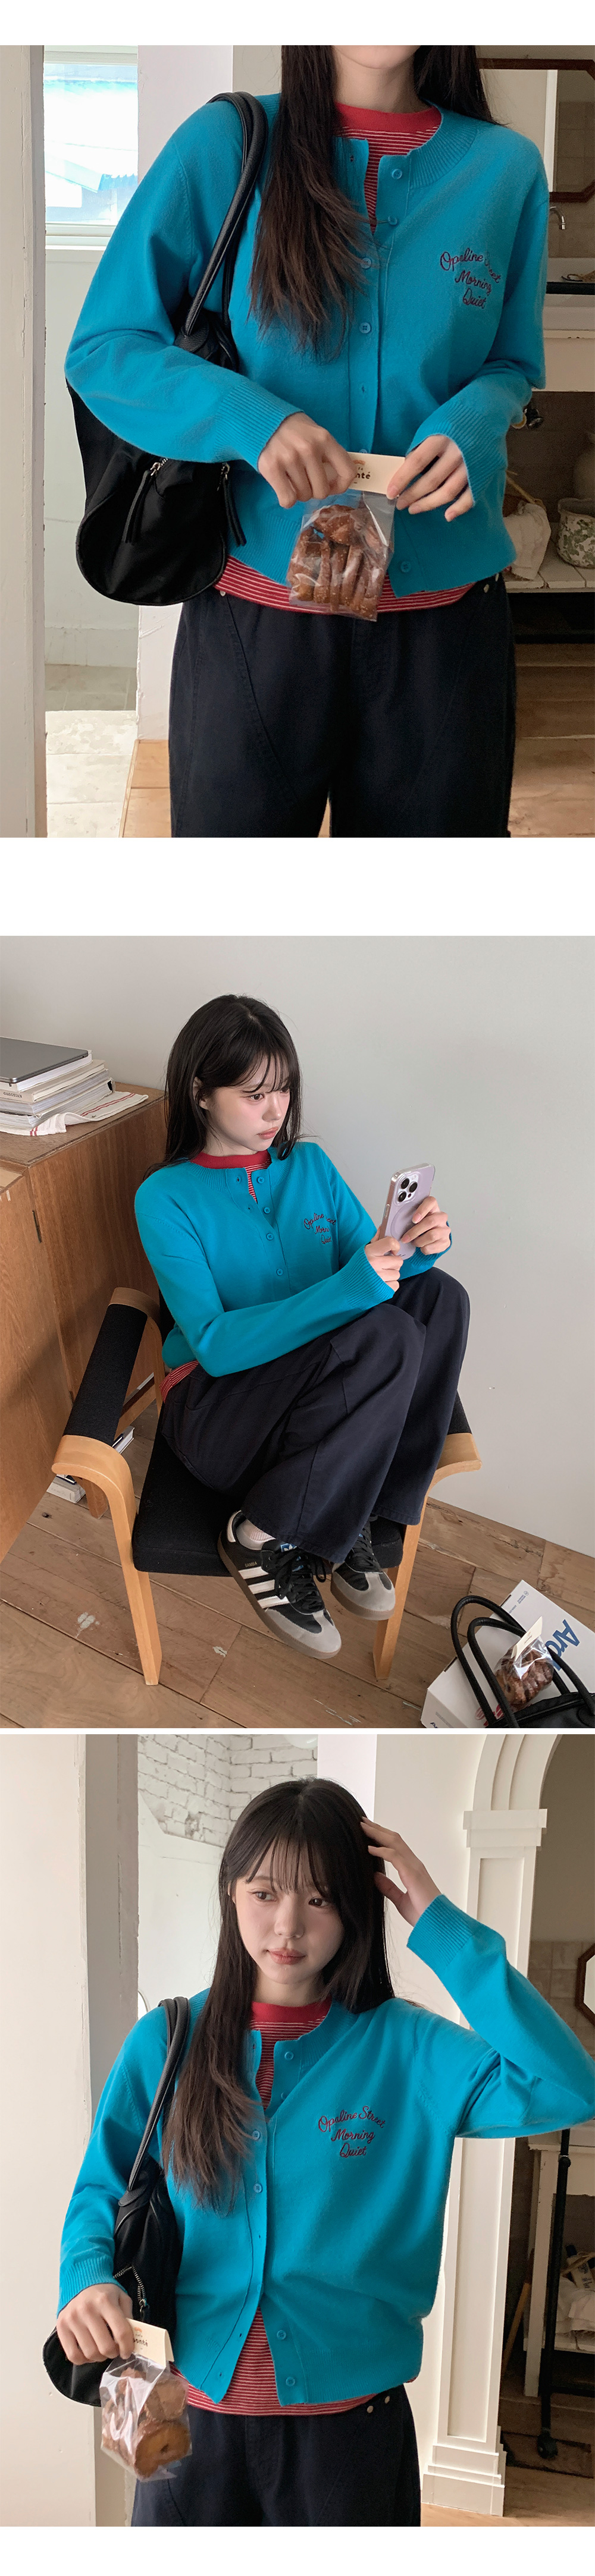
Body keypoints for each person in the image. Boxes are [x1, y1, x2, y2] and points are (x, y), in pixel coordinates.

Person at [55, 1775, 595, 2528]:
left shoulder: (409, 2047)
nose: (287, 1924)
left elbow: (569, 2087)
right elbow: (102, 2189)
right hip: (185, 2421)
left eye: (319, 1898)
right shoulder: (166, 2041)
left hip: (349, 2439)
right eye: (264, 1892)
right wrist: (85, 2279)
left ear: (356, 1907)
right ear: (230, 1891)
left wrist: (437, 1923)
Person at [64, 46, 549, 839]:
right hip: (257, 616)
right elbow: (107, 348)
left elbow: (512, 363)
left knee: (431, 904)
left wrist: (471, 422)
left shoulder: (505, 169)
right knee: (236, 899)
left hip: (446, 622)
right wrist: (252, 420)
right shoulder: (226, 145)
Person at [133, 990, 469, 1660]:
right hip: (218, 1408)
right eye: (254, 1094)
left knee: (440, 1300)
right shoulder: (165, 1197)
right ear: (200, 1093)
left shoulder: (309, 1165)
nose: (276, 1111)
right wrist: (352, 1286)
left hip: (317, 1391)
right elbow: (216, 1345)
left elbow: (369, 1266)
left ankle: (362, 1509)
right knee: (388, 1336)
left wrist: (417, 1248)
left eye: (284, 1089)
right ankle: (258, 1535)